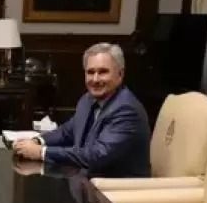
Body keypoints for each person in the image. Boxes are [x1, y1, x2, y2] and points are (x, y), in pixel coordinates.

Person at [13, 42, 150, 178]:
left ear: (120, 74)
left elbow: (97, 156)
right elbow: (67, 132)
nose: (95, 79)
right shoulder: (88, 100)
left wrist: (42, 152)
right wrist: (37, 141)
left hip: (117, 188)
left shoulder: (126, 109)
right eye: (90, 72)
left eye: (103, 72)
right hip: (87, 181)